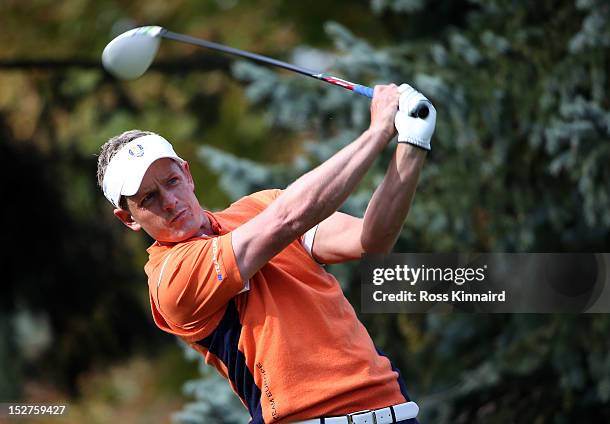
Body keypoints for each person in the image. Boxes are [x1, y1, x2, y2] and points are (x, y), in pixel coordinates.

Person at [96, 83, 436, 424]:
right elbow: (287, 219)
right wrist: (378, 131)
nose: (170, 202)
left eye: (171, 181)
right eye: (148, 199)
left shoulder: (260, 206)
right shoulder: (171, 278)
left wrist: (412, 143)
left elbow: (369, 240)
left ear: (187, 174)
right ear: (128, 219)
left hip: (394, 409)